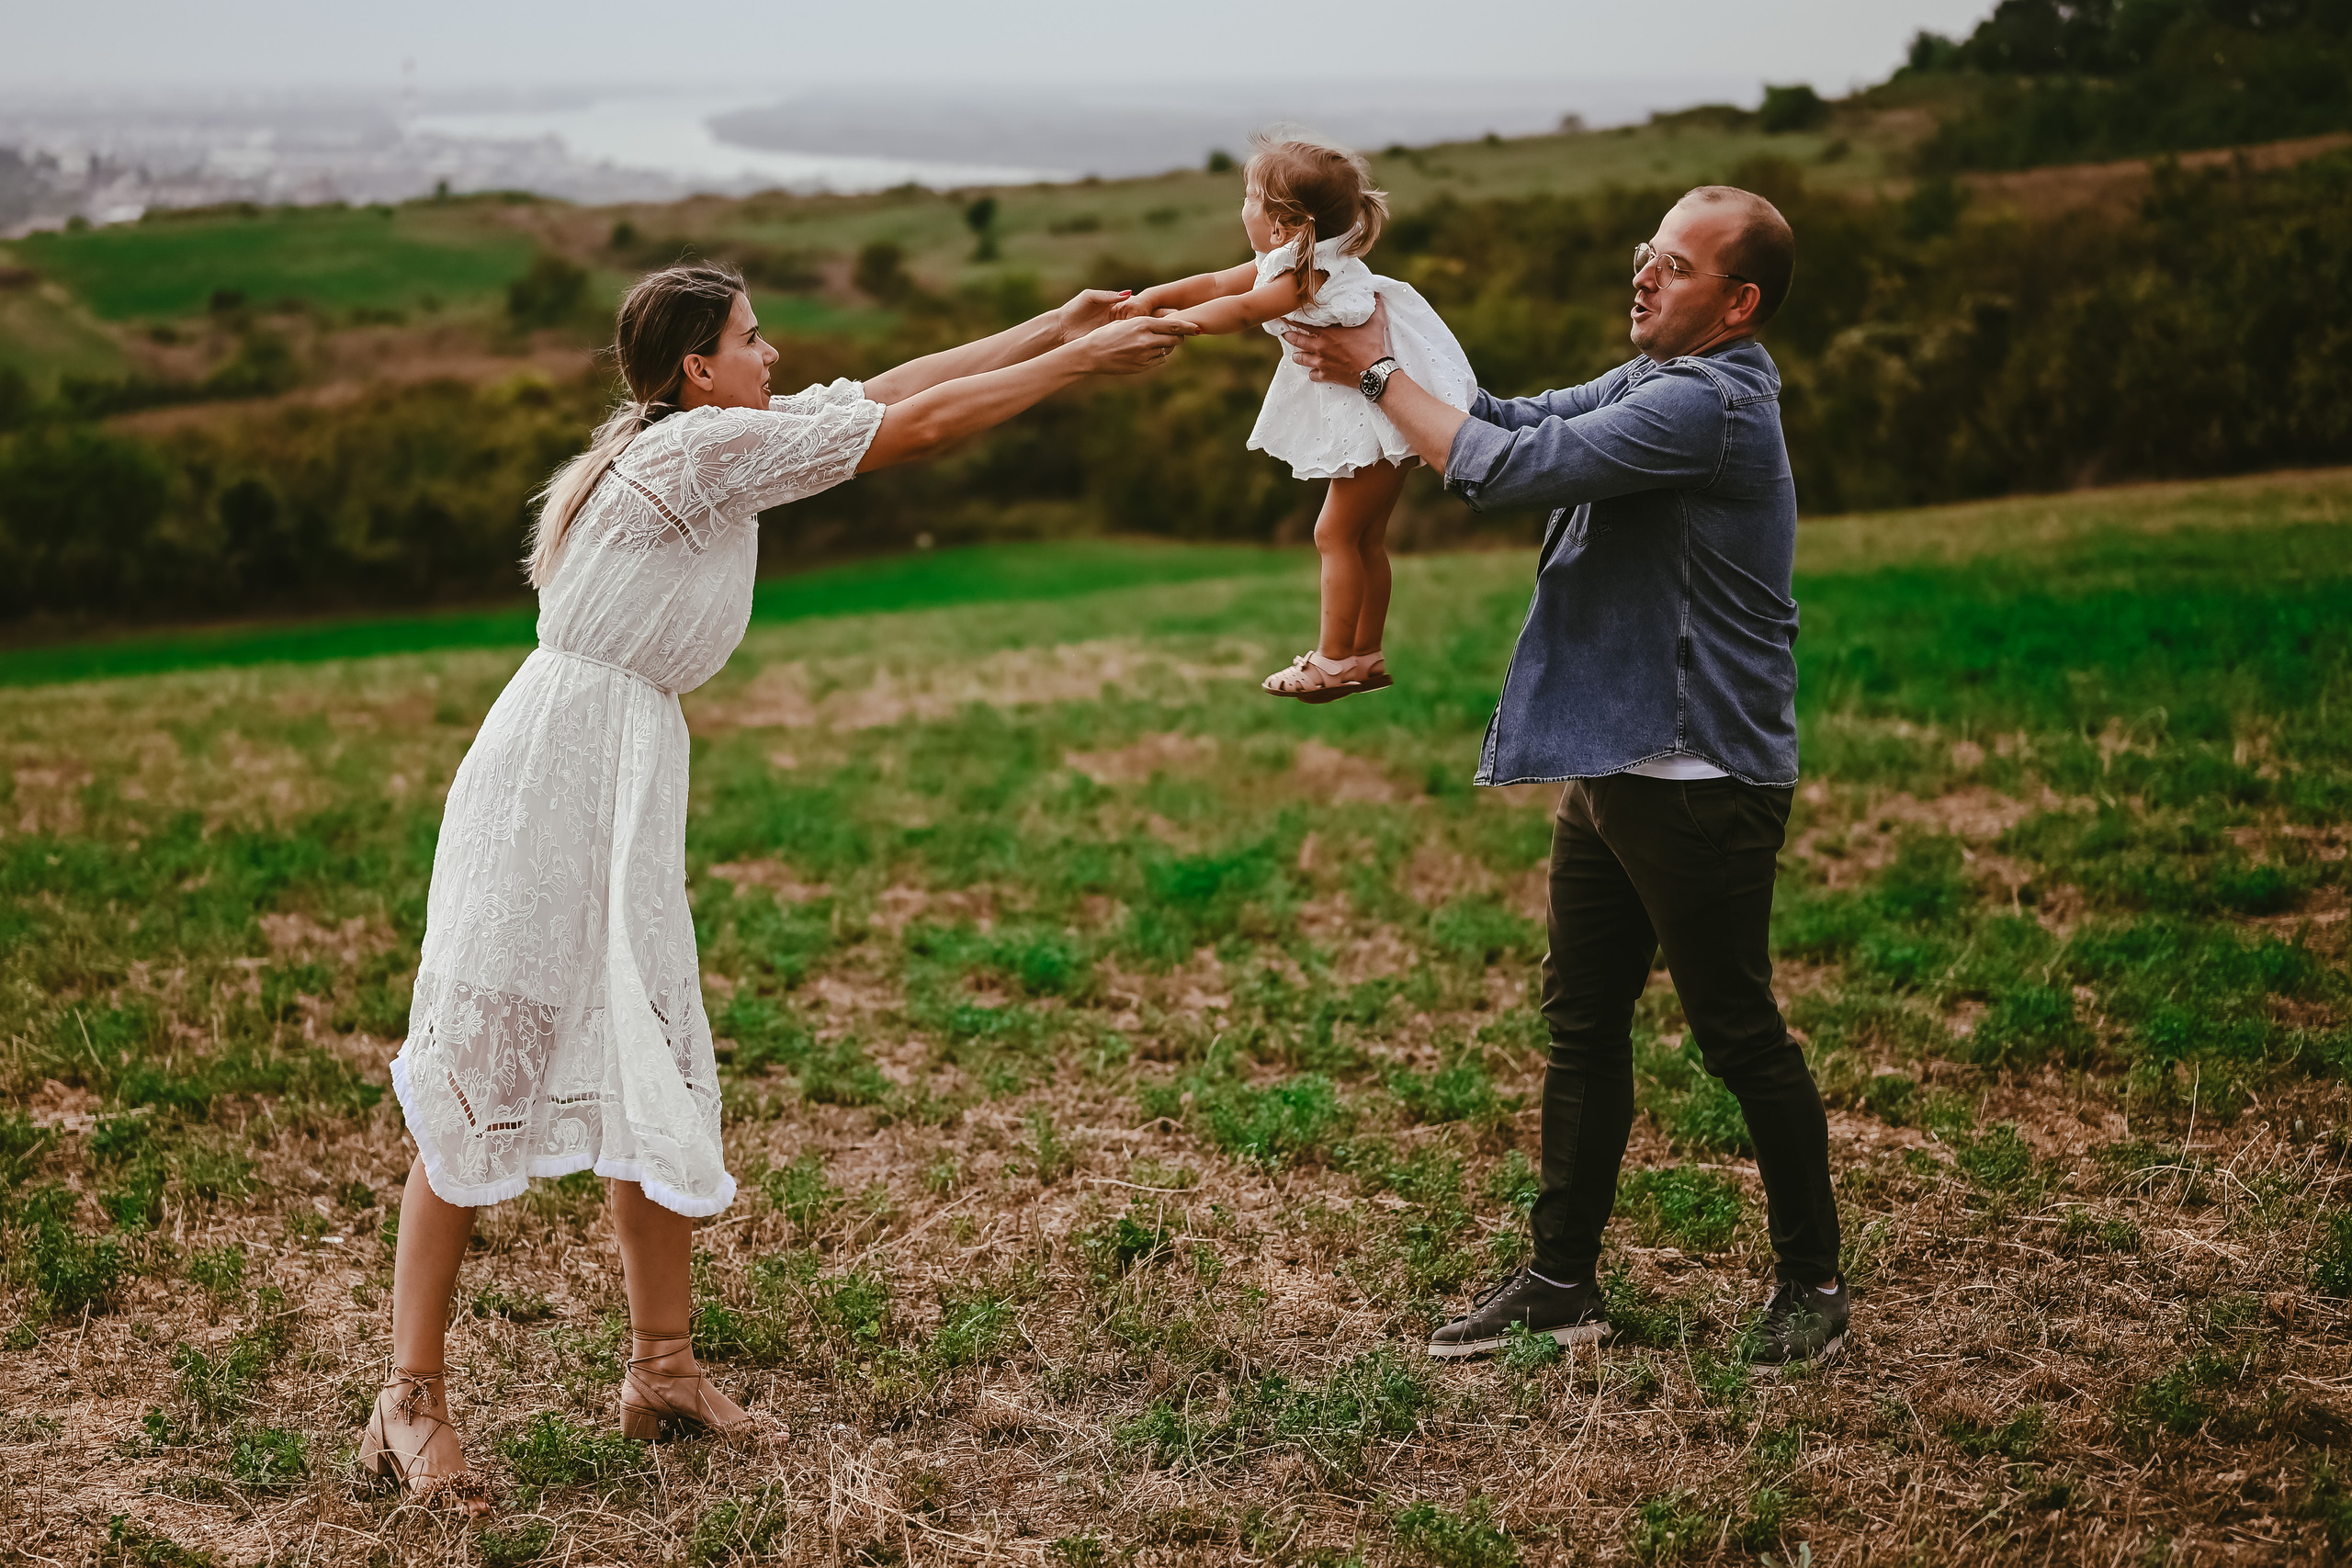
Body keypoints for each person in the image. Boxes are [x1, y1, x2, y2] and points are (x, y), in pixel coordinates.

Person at [361, 265, 1195, 1510]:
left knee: (647, 1043)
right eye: (753, 338)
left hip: (619, 767)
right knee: (484, 1057)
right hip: (550, 779)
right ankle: (408, 1399)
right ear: (699, 367)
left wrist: (1060, 322)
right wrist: (1080, 369)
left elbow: (885, 390)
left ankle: (664, 1371)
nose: (773, 351)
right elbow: (911, 427)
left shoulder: (698, 435)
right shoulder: (698, 454)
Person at [1283, 186, 1849, 1364]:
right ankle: (1560, 1283)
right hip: (1618, 758)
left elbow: (1502, 470)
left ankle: (1813, 1284)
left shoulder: (1709, 405)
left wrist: (1379, 376)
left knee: (1736, 1031)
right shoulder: (1652, 381)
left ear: (1737, 303)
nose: (1644, 274)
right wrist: (1387, 328)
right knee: (1581, 1022)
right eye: (1648, 252)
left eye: (1678, 266)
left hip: (1699, 772)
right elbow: (1504, 417)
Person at [1114, 130, 1474, 703]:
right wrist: (1157, 296)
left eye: (1252, 197)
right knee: (1365, 540)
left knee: (1332, 534)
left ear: (1284, 223)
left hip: (1372, 424)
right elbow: (1215, 283)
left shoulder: (1306, 277)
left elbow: (1241, 308)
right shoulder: (1294, 260)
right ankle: (1366, 654)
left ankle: (1333, 661)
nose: (1245, 208)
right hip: (1383, 419)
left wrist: (1175, 327)